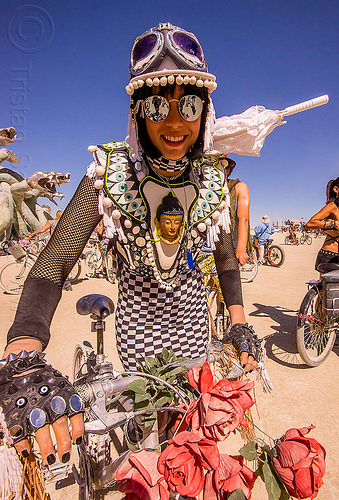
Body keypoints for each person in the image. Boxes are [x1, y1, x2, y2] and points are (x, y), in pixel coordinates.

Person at [0, 22, 262, 466]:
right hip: (137, 332)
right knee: (144, 431)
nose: (175, 122)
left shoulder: (215, 179)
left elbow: (225, 261)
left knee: (189, 434)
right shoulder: (108, 174)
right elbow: (55, 262)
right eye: (158, 105)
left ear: (206, 112)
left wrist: (236, 321)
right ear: (138, 112)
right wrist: (23, 352)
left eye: (190, 104)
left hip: (195, 328)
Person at [218, 155, 252, 265]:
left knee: (229, 281)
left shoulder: (239, 187)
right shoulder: (201, 188)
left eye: (220, 166)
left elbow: (243, 219)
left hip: (229, 247)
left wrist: (241, 250)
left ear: (227, 170)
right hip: (206, 247)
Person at [306, 177, 339, 270]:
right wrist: (332, 224)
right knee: (327, 284)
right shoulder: (332, 206)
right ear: (336, 189)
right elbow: (310, 224)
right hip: (330, 255)